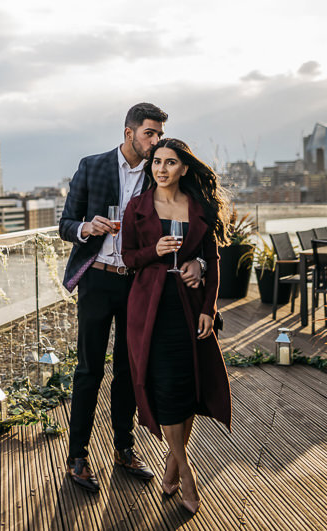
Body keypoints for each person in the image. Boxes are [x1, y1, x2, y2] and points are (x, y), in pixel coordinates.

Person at [58, 104, 205, 492]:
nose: (155, 142)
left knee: (129, 369)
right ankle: (78, 456)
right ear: (129, 133)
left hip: (137, 283)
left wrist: (201, 262)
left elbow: (191, 227)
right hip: (96, 279)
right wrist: (87, 227)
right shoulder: (92, 166)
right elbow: (65, 224)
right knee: (89, 369)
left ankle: (124, 448)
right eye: (149, 134)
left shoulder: (160, 173)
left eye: (158, 135)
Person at [120, 138, 232, 514]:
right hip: (150, 310)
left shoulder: (198, 207)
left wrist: (207, 306)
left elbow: (211, 261)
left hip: (189, 308)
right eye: (156, 162)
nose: (161, 169)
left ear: (184, 168)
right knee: (165, 386)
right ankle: (186, 474)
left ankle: (171, 464)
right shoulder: (137, 206)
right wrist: (156, 252)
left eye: (170, 163)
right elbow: (128, 258)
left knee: (186, 384)